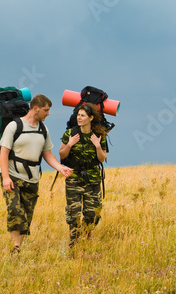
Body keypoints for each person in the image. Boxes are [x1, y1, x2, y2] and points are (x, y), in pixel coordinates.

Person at [0, 94, 73, 255]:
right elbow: (3, 153)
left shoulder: (43, 129)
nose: (48, 113)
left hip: (32, 178)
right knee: (14, 210)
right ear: (35, 108)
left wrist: (60, 168)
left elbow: (47, 154)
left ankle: (18, 246)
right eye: (46, 110)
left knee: (26, 214)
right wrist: (5, 177)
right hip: (13, 176)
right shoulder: (14, 126)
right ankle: (16, 247)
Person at [59, 103, 108, 248]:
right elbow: (62, 154)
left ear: (91, 118)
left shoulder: (99, 135)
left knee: (91, 213)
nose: (79, 118)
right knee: (73, 213)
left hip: (92, 180)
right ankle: (73, 243)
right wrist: (69, 144)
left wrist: (97, 146)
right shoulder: (70, 133)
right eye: (78, 115)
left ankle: (87, 238)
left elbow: (102, 158)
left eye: (82, 115)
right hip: (74, 179)